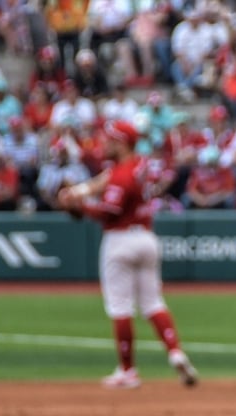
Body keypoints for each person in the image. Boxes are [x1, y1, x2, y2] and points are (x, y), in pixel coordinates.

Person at [56, 120, 198, 389]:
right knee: (153, 303)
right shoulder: (140, 165)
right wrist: (78, 192)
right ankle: (175, 352)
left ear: (121, 143)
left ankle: (128, 371)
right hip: (146, 236)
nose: (104, 143)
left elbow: (109, 211)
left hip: (120, 240)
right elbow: (106, 180)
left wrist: (80, 207)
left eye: (110, 139)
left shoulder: (122, 175)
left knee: (120, 307)